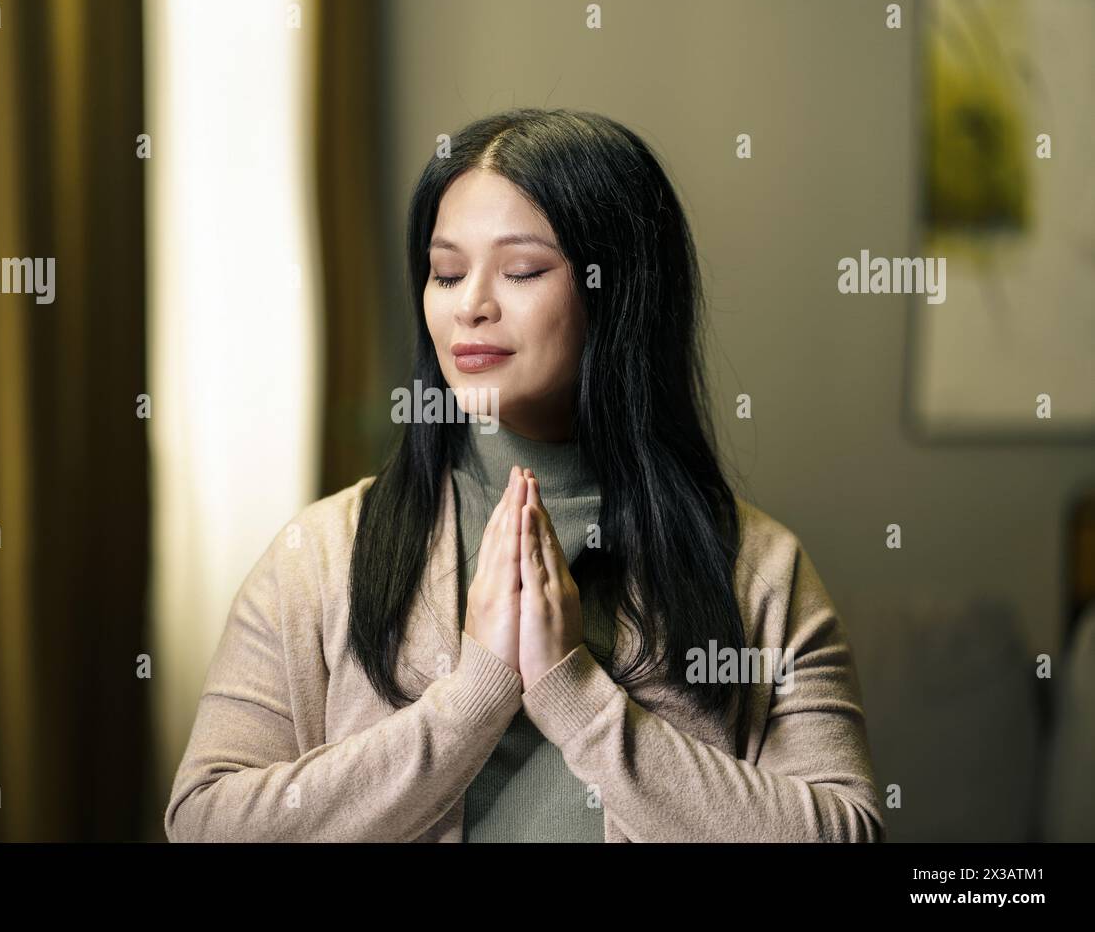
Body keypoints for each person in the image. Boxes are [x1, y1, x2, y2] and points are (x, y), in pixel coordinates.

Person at [165, 108, 885, 842]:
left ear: (619, 292)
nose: (471, 306)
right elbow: (204, 823)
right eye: (446, 273)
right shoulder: (318, 556)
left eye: (521, 271)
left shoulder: (759, 570)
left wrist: (576, 695)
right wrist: (472, 700)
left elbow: (846, 830)